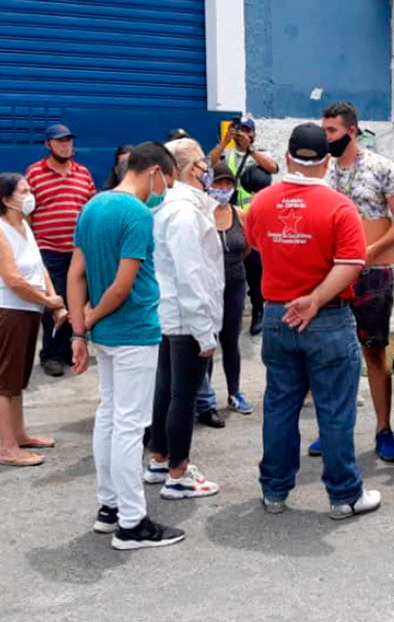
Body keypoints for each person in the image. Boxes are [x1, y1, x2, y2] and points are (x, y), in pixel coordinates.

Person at [244, 122, 381, 520]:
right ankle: (344, 497)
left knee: (280, 405)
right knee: (335, 410)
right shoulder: (340, 206)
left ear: (286, 158)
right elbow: (353, 263)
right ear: (327, 163)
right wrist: (316, 298)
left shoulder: (263, 202)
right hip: (327, 318)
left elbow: (257, 243)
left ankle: (274, 492)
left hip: (276, 314)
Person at [67, 141, 184, 550]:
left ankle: (109, 507)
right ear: (154, 171)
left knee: (111, 416)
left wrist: (80, 330)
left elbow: (76, 273)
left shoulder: (92, 206)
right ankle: (132, 524)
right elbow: (122, 285)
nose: (165, 189)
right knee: (130, 425)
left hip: (105, 338)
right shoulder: (136, 213)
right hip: (132, 329)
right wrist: (93, 317)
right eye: (166, 180)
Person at [305, 102, 394, 462]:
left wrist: (369, 251)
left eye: (332, 132)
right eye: (323, 131)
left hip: (372, 272)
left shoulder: (382, 168)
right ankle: (333, 430)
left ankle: (384, 430)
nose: (326, 138)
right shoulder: (322, 172)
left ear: (352, 130)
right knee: (332, 353)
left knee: (374, 349)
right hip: (331, 274)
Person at [141, 137, 225, 500]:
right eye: (205, 165)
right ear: (193, 169)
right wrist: (205, 332)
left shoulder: (166, 208)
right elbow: (192, 274)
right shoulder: (184, 213)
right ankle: (178, 473)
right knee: (184, 395)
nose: (209, 171)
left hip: (169, 314)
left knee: (167, 389)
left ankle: (159, 458)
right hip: (185, 317)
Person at [0, 173, 66, 467]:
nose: (31, 195)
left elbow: (39, 267)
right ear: (6, 199)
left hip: (30, 310)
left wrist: (53, 301)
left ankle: (19, 435)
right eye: (24, 191)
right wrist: (47, 301)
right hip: (9, 310)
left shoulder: (25, 227)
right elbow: (13, 280)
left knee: (18, 378)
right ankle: (7, 449)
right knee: (5, 380)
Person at [25, 123, 97, 377]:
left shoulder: (83, 173)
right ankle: (51, 355)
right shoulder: (34, 173)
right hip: (49, 249)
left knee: (76, 301)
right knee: (54, 303)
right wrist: (31, 244)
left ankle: (70, 349)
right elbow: (27, 212)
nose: (66, 145)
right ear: (48, 145)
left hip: (78, 250)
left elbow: (90, 209)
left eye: (68, 140)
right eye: (59, 141)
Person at [194, 162, 255, 423]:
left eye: (228, 184)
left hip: (234, 282)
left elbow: (247, 248)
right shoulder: (199, 214)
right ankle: (204, 399)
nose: (223, 188)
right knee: (206, 342)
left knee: (230, 340)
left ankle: (234, 392)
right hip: (207, 287)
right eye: (218, 183)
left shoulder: (239, 214)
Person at [209, 115, 279, 336]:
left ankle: (258, 310)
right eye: (239, 130)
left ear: (254, 134)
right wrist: (223, 142)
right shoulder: (226, 154)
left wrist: (250, 150)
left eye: (247, 130)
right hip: (231, 221)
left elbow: (273, 168)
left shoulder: (261, 154)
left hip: (256, 223)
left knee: (256, 269)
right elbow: (207, 166)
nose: (242, 134)